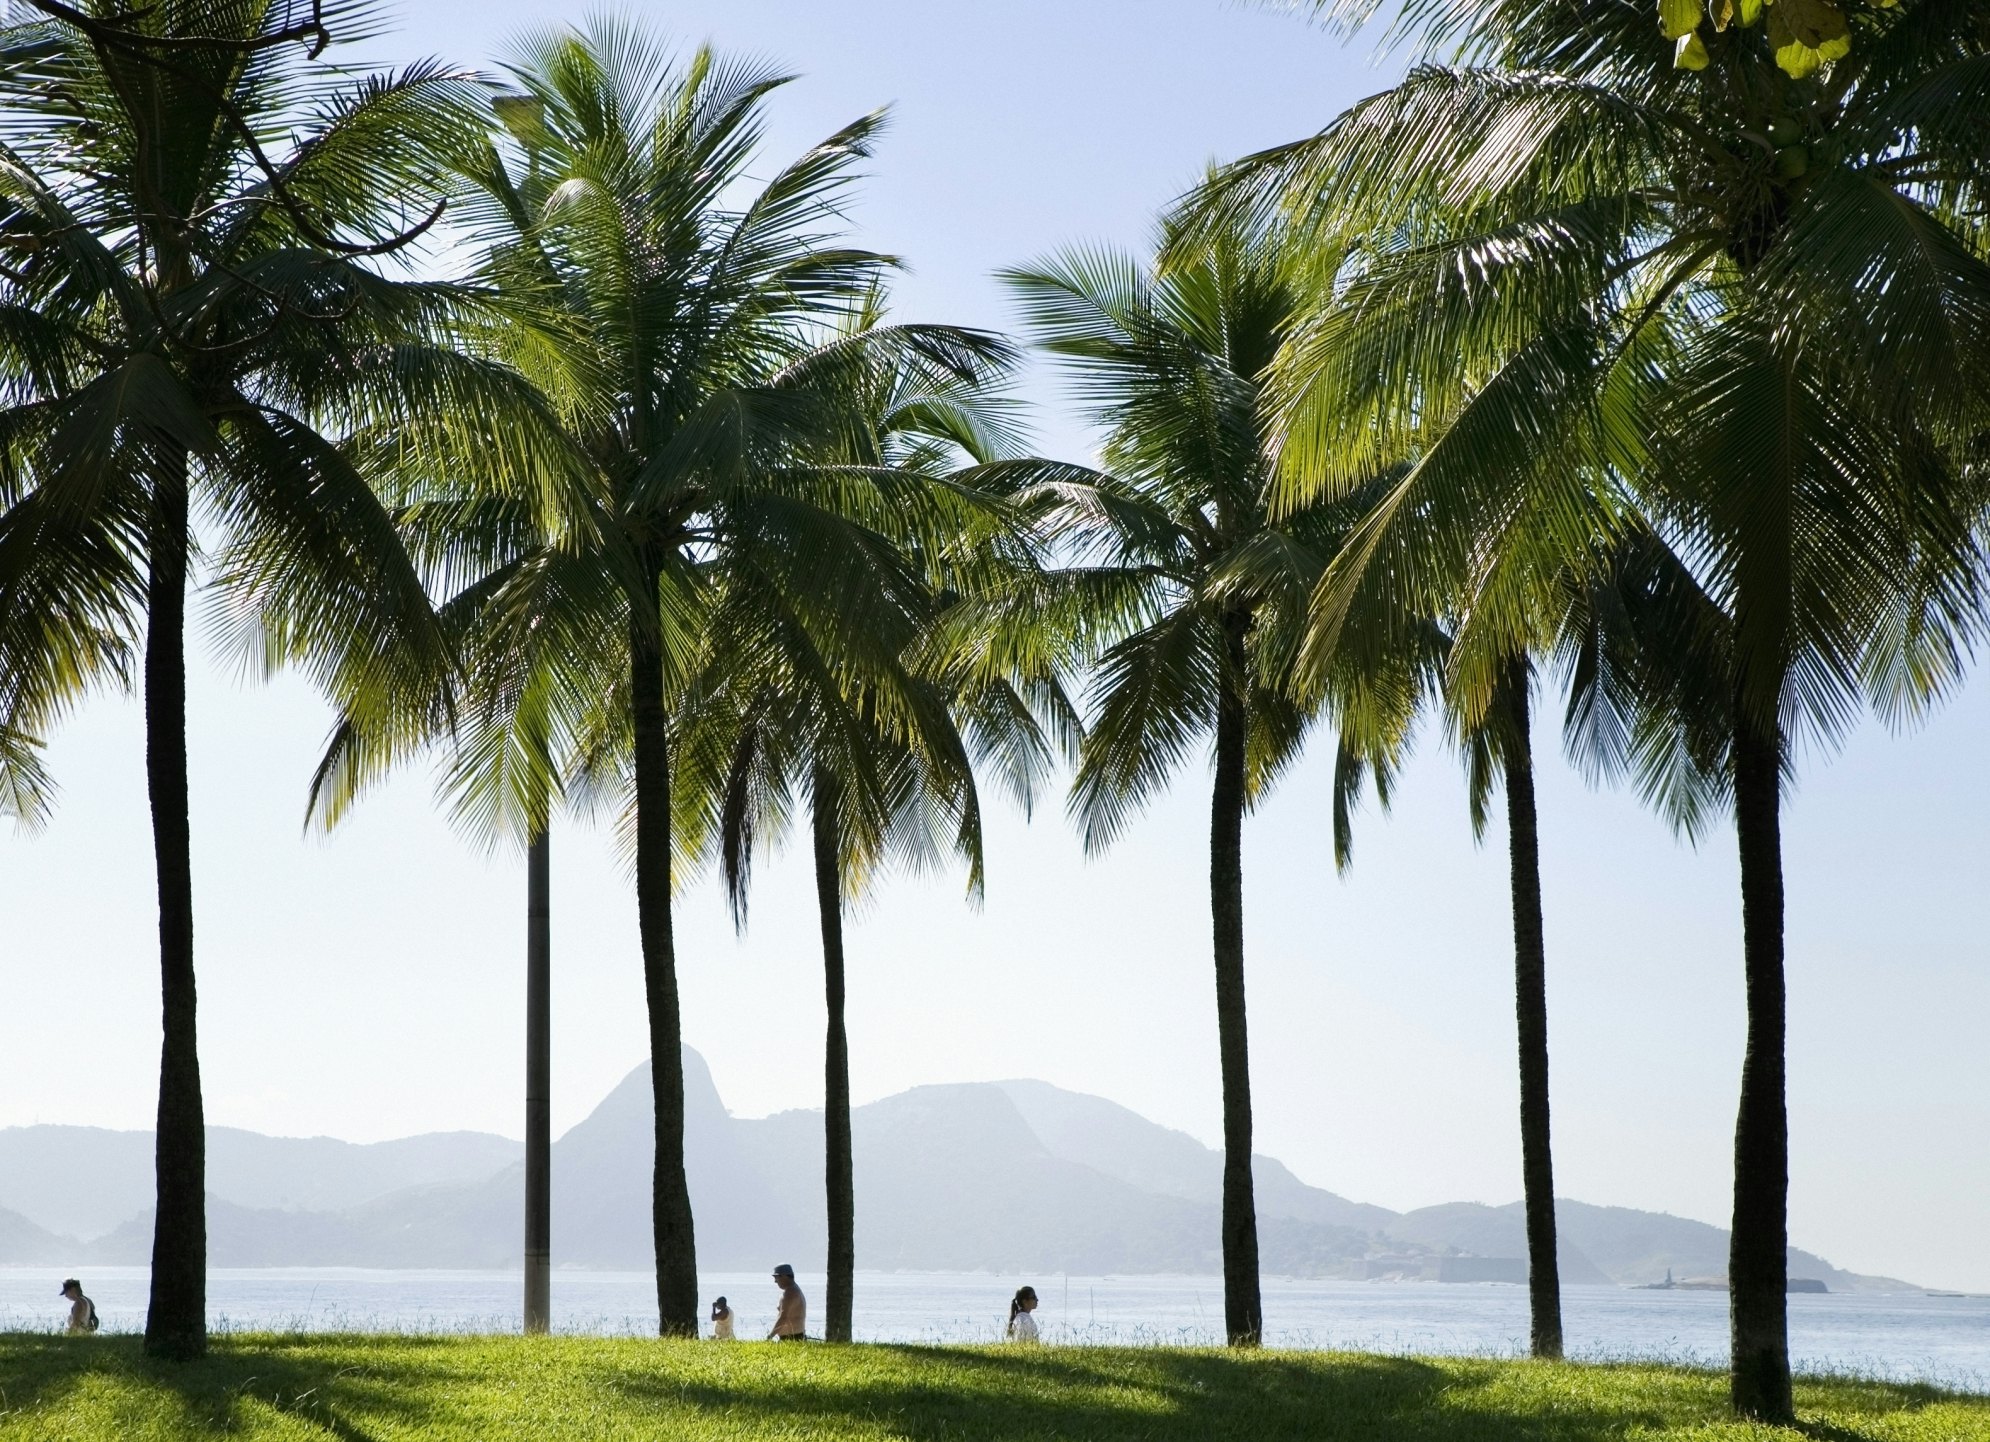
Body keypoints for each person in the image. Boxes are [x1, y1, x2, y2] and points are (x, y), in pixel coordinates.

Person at [768, 1263, 807, 1341]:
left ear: (784, 1276)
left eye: (776, 1277)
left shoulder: (790, 1292)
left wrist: (770, 1336)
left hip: (791, 1338)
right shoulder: (795, 1289)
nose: (775, 1281)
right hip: (796, 1336)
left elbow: (783, 1317)